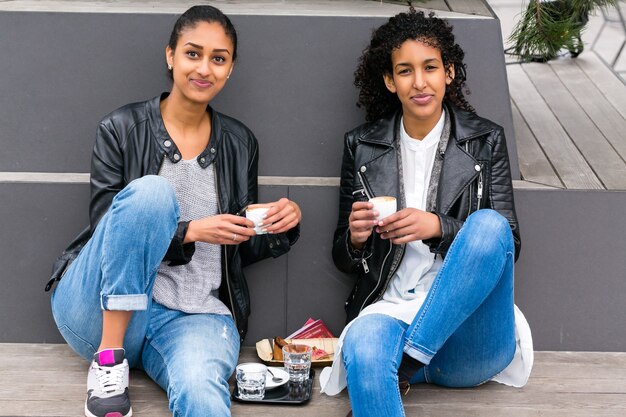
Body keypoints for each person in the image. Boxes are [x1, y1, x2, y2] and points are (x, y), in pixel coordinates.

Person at [46, 6, 301, 417]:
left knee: (202, 396)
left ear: (231, 68)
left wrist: (278, 226)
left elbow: (235, 248)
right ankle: (109, 363)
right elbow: (110, 229)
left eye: (218, 59)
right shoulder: (121, 128)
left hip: (191, 316)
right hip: (97, 311)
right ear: (170, 56)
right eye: (192, 54)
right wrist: (190, 231)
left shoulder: (240, 142)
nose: (205, 68)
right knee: (150, 194)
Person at [319, 8, 533, 417]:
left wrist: (438, 227)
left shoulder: (485, 140)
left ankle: (409, 362)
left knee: (489, 224)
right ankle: (402, 365)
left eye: (430, 67)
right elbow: (344, 259)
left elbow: (507, 243)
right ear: (389, 80)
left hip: (469, 339)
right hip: (393, 312)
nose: (419, 82)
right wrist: (355, 238)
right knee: (363, 343)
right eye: (405, 71)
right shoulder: (361, 146)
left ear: (448, 72)